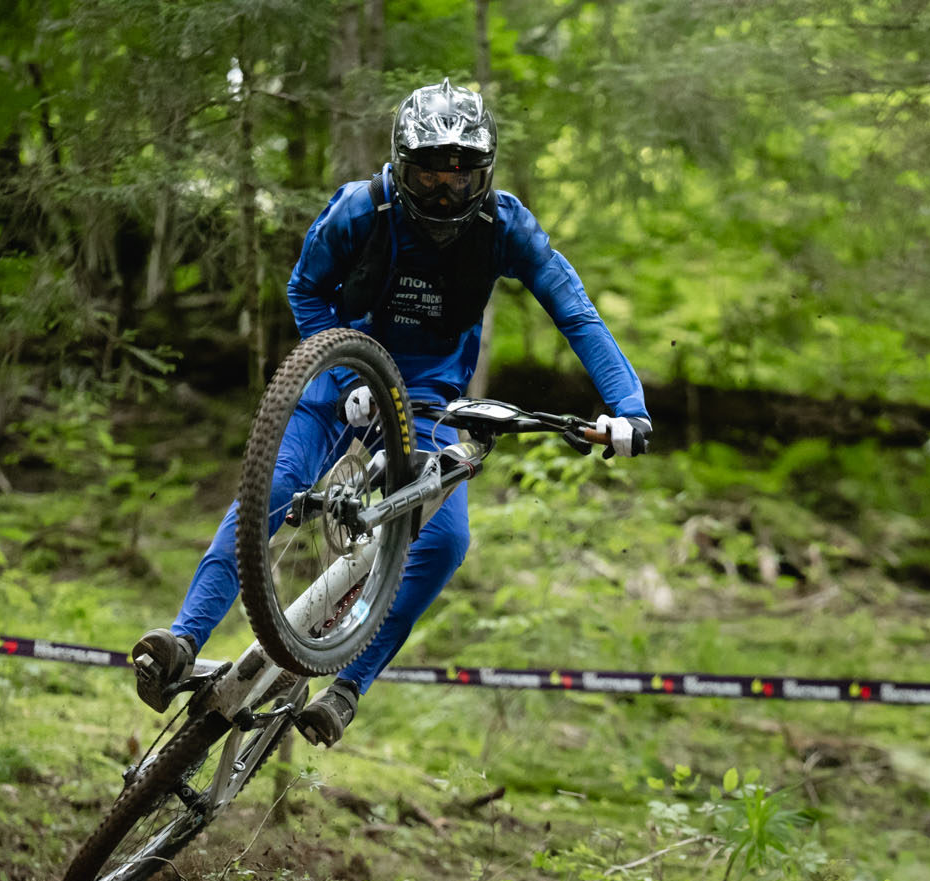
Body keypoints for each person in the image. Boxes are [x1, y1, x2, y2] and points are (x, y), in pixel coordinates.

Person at [131, 79, 652, 746]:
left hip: (432, 395)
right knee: (283, 479)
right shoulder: (361, 209)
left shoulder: (506, 227)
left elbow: (575, 311)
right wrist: (347, 368)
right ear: (401, 165)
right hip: (340, 373)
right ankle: (180, 641)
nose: (444, 189)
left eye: (460, 173)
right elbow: (305, 286)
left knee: (446, 540)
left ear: (483, 174)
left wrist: (628, 410)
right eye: (429, 170)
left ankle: (347, 688)